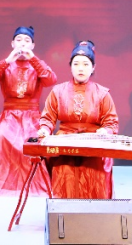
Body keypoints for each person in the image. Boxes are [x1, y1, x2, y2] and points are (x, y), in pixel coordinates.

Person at [0, 25, 57, 196]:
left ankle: (34, 183)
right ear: (12, 43)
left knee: (34, 141)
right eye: (19, 40)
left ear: (33, 46)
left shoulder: (37, 65)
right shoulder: (6, 65)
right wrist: (7, 60)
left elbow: (51, 80)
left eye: (27, 41)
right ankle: (1, 183)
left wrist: (33, 59)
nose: (22, 44)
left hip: (32, 117)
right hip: (9, 116)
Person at [37, 40, 118, 198]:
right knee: (64, 170)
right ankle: (63, 209)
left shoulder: (102, 93)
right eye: (76, 64)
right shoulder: (58, 91)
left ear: (93, 67)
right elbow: (48, 118)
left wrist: (105, 131)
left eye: (86, 64)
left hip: (92, 143)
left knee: (93, 172)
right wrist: (45, 130)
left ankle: (93, 209)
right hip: (65, 142)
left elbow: (111, 122)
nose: (81, 68)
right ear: (71, 66)